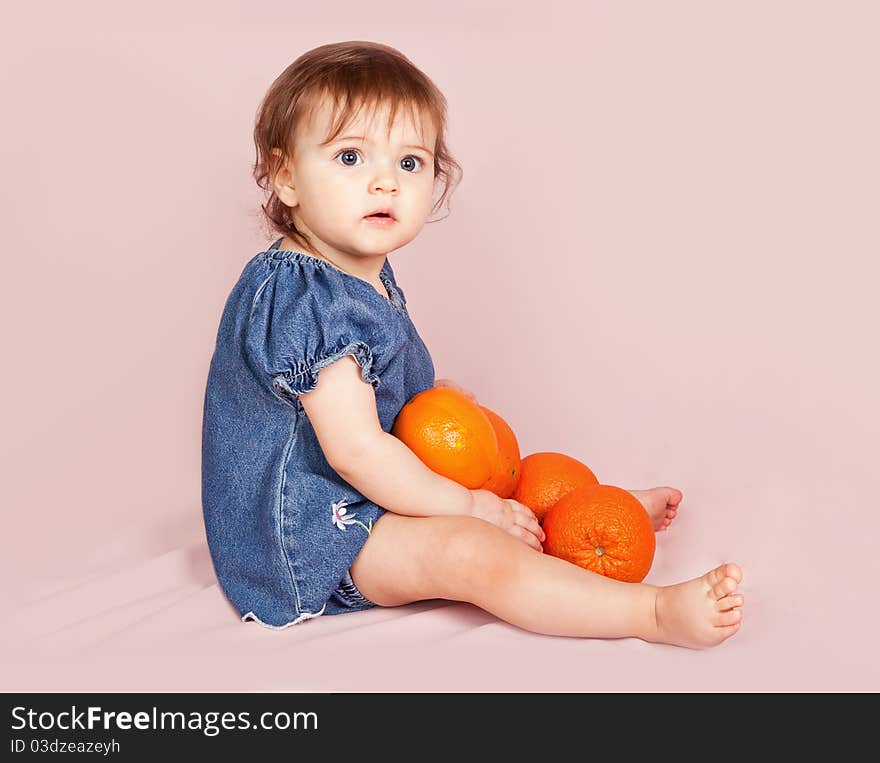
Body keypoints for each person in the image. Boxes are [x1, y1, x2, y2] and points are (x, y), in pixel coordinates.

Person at [201, 41, 744, 649]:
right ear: (286, 177)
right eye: (350, 156)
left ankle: (587, 518)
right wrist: (466, 508)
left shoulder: (347, 265)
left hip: (364, 490)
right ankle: (650, 614)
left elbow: (366, 388)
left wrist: (429, 399)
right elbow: (356, 453)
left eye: (409, 163)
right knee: (471, 550)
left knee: (491, 462)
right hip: (318, 538)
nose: (384, 183)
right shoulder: (311, 300)